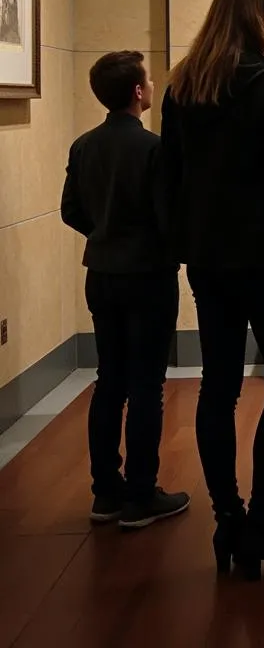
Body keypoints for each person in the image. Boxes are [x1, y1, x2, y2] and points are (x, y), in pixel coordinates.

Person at [161, 0, 264, 580]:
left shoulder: (183, 85)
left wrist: (184, 246)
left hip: (209, 260)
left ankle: (227, 521)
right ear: (255, 17)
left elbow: (170, 179)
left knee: (219, 386)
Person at [60, 50, 189, 529]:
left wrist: (105, 232)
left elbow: (71, 209)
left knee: (108, 381)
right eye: (149, 80)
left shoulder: (83, 146)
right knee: (146, 386)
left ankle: (105, 492)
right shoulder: (154, 149)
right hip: (148, 275)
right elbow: (167, 217)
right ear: (138, 92)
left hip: (102, 273)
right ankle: (141, 494)